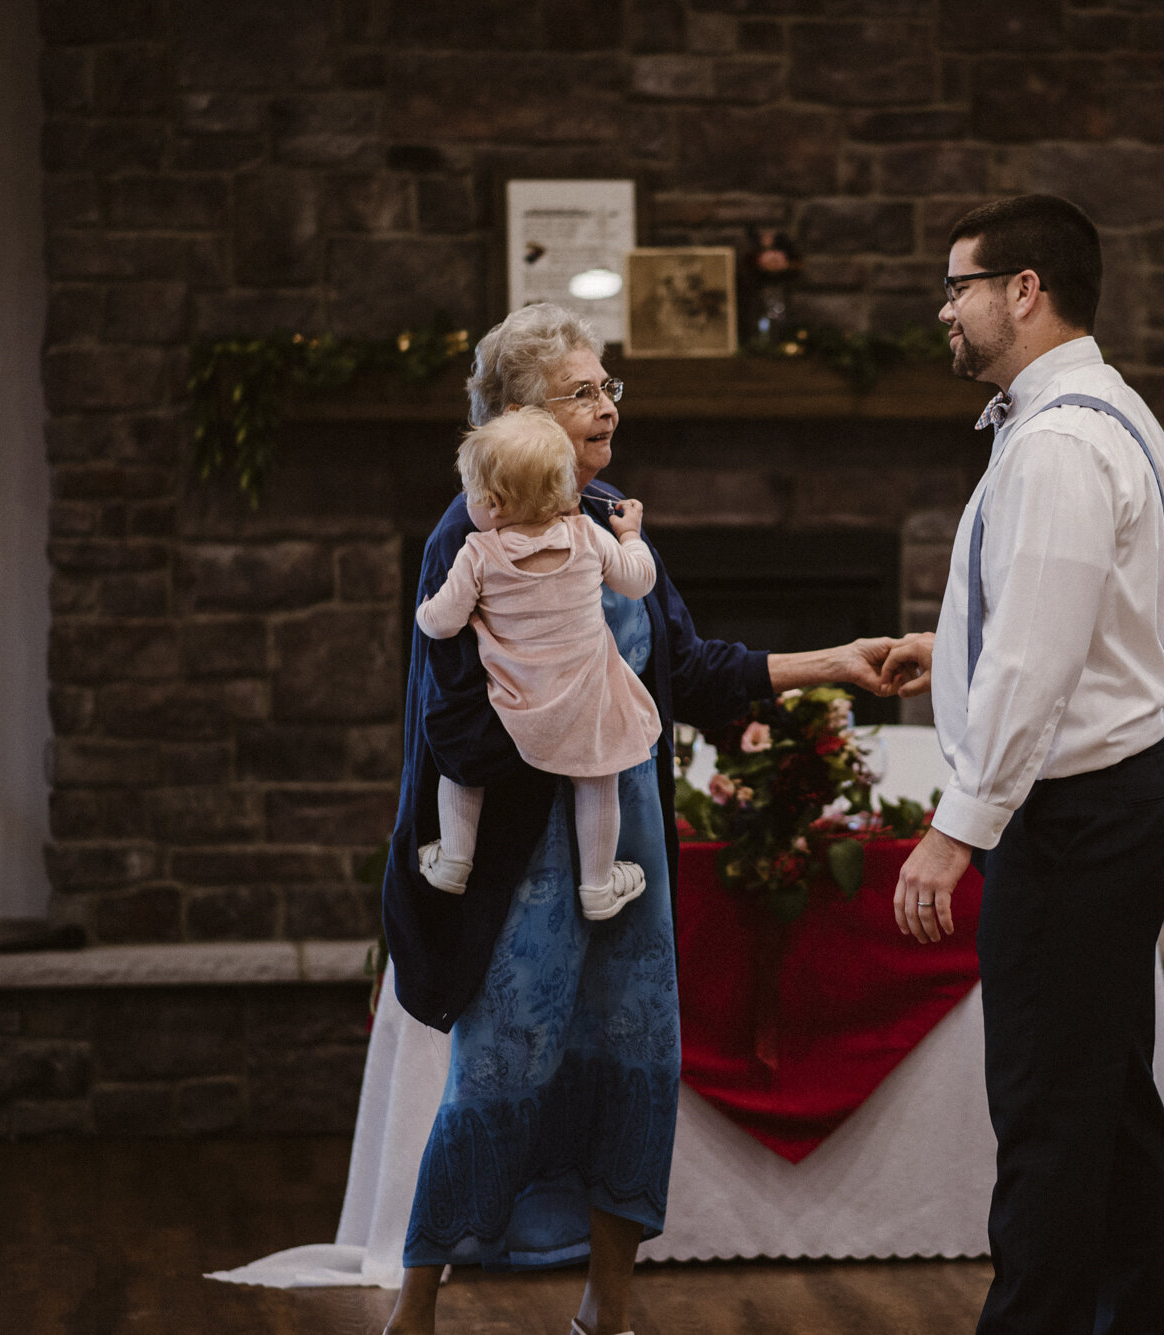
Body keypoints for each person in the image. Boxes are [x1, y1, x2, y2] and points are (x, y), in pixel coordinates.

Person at [381, 302, 899, 1335]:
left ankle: (607, 1313)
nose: (607, 406)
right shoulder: (467, 534)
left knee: (635, 1071)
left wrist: (834, 662)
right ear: (521, 416)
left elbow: (691, 671)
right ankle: (415, 1314)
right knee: (496, 1081)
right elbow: (451, 732)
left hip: (623, 858)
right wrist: (562, 708)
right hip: (518, 865)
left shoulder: (611, 517)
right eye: (582, 392)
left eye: (608, 386)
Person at [882, 195, 1164, 1335]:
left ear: (1024, 289)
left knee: (1048, 1116)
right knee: (1104, 1104)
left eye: (959, 284)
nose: (945, 307)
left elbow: (1038, 654)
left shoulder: (1060, 439)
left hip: (1079, 816)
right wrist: (952, 647)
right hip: (1122, 791)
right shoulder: (1099, 411)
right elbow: (1068, 618)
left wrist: (952, 829)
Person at [413, 407, 658, 922]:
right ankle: (597, 884)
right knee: (599, 778)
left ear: (495, 504)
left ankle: (455, 858)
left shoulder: (478, 553)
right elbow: (638, 582)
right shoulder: (590, 537)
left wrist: (425, 609)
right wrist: (631, 534)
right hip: (589, 707)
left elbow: (442, 622)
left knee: (459, 761)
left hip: (516, 713)